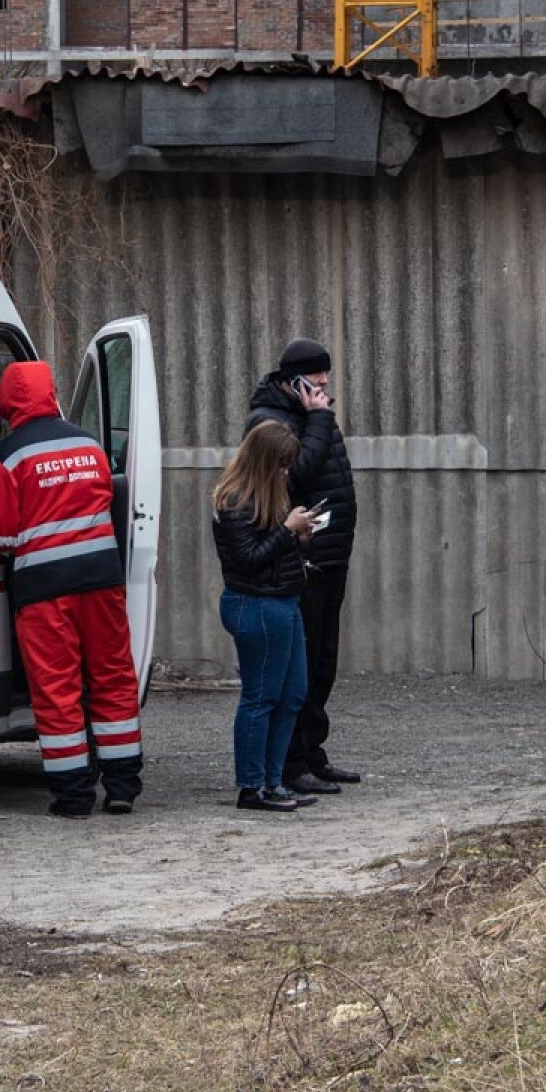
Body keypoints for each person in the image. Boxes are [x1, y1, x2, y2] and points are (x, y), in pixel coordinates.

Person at [0, 361, 143, 818]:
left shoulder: (5, 456)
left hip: (44, 588)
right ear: (50, 391)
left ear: (8, 401)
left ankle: (73, 795)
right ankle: (122, 787)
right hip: (101, 579)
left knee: (58, 689)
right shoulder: (89, 443)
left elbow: (6, 537)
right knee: (113, 678)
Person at [245, 338, 360, 796]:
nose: (325, 384)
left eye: (326, 376)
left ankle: (312, 752)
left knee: (324, 663)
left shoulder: (314, 415)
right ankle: (290, 762)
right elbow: (300, 477)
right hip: (303, 559)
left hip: (331, 555)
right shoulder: (268, 422)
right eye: (316, 377)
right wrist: (318, 420)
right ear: (293, 380)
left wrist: (318, 419)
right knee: (302, 665)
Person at [213, 421, 319, 811]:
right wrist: (288, 533)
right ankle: (252, 786)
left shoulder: (270, 495)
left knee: (291, 694)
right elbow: (249, 560)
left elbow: (274, 556)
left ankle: (274, 781)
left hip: (283, 602)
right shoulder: (235, 501)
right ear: (264, 463)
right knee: (261, 697)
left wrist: (301, 538)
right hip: (256, 605)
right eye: (281, 465)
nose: (286, 473)